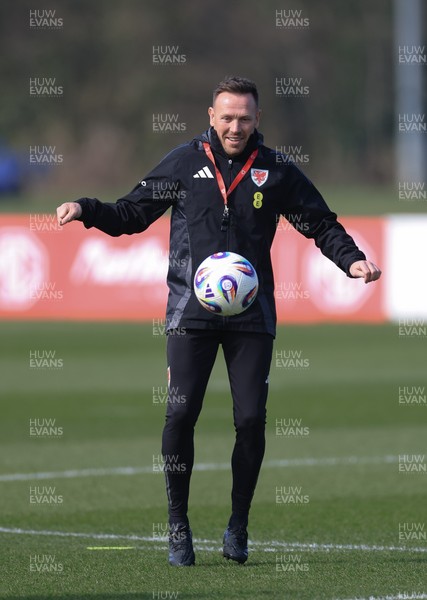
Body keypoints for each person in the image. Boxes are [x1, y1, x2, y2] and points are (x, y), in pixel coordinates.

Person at [56, 76, 381, 567]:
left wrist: (352, 260)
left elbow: (321, 223)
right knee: (180, 415)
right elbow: (131, 213)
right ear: (211, 116)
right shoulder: (184, 163)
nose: (235, 126)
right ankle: (178, 527)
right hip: (191, 313)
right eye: (226, 117)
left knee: (250, 420)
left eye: (244, 118)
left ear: (257, 120)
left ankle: (237, 526)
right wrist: (86, 208)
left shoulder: (275, 170)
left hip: (252, 317)